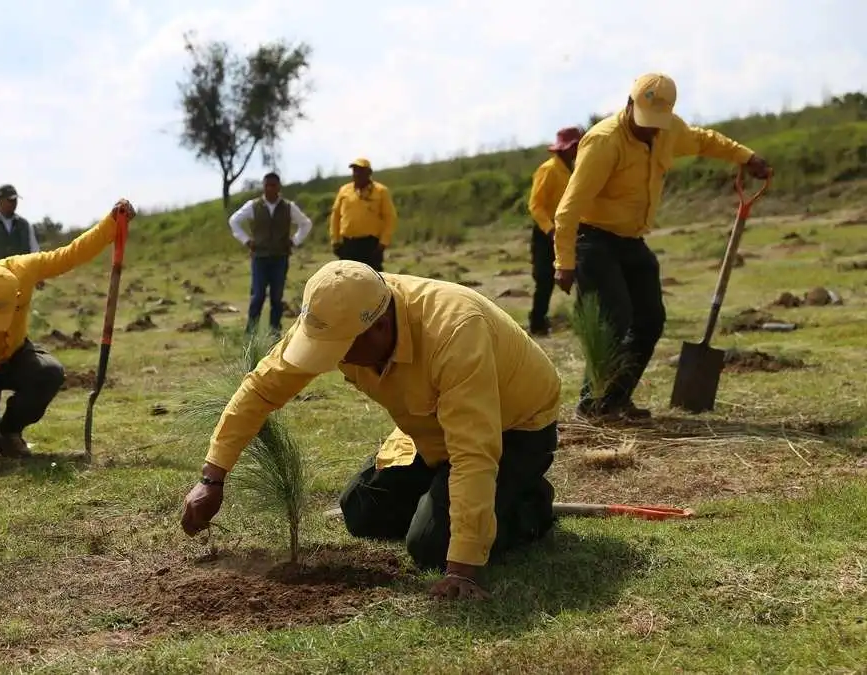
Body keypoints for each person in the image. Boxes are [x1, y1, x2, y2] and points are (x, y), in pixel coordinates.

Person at [179, 260, 562, 601]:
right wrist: (213, 478)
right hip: (429, 432)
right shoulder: (337, 310)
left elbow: (473, 453)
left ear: (379, 327)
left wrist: (462, 569)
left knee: (433, 547)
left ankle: (530, 504)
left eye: (342, 350)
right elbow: (262, 388)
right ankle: (448, 501)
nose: (335, 360)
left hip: (513, 427)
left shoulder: (454, 332)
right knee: (361, 511)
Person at [553, 73, 772, 422]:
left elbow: (703, 141)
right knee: (614, 317)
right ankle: (591, 403)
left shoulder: (669, 130)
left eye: (657, 123)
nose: (651, 130)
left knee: (650, 319)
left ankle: (615, 399)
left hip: (631, 240)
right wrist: (563, 261)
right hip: (592, 240)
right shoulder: (603, 142)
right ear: (629, 104)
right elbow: (569, 206)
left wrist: (745, 157)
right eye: (644, 122)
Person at [0, 198, 137, 477]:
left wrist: (111, 224)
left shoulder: (24, 269)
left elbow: (70, 255)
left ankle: (10, 431)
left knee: (49, 372)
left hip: (14, 353)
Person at [227, 172, 314, 338]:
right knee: (258, 296)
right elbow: (234, 221)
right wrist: (246, 240)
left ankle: (275, 333)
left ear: (279, 187)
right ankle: (250, 333)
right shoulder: (253, 206)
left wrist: (294, 241)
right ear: (263, 186)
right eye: (267, 185)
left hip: (280, 257)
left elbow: (305, 224)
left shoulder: (288, 207)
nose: (270, 189)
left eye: (273, 185)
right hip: (259, 257)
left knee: (276, 297)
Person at [526, 126, 583, 336]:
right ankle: (538, 324)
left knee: (583, 275)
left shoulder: (577, 170)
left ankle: (583, 322)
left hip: (570, 231)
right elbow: (535, 205)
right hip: (546, 233)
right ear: (563, 149)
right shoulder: (548, 170)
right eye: (573, 146)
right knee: (545, 279)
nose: (576, 150)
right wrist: (550, 230)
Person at [329, 158, 398, 271]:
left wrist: (383, 243)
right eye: (355, 170)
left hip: (371, 245)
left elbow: (390, 218)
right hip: (348, 244)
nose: (357, 174)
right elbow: (335, 216)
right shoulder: (344, 190)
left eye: (361, 170)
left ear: (369, 173)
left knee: (373, 280)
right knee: (347, 280)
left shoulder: (381, 191)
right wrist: (335, 241)